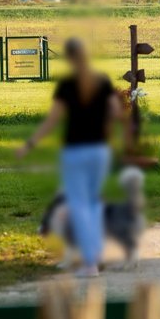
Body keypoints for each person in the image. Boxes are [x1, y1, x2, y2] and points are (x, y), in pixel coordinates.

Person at [16, 38, 123, 277]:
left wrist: (30, 144)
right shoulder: (102, 80)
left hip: (75, 150)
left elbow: (53, 119)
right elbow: (116, 111)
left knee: (79, 206)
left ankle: (89, 263)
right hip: (100, 150)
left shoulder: (67, 85)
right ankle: (95, 253)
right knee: (94, 203)